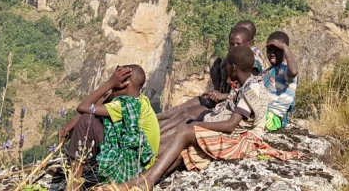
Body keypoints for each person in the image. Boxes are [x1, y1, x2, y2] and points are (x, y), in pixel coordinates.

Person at [123, 46, 297, 187]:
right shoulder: (253, 83)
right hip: (243, 135)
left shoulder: (250, 90)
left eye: (228, 65)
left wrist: (198, 126)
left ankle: (148, 181)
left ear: (234, 68)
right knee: (186, 147)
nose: (225, 68)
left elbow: (230, 125)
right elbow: (238, 104)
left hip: (245, 142)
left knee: (186, 131)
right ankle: (144, 178)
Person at [58, 65, 160, 191]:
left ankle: (74, 184)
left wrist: (110, 83)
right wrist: (72, 123)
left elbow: (83, 107)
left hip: (130, 169)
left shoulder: (123, 106)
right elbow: (103, 101)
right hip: (141, 164)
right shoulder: (140, 100)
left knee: (86, 121)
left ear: (124, 84)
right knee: (92, 119)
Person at [157, 25, 264, 132]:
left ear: (249, 43)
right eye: (232, 44)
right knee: (197, 101)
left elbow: (245, 92)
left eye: (238, 44)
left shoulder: (251, 64)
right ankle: (157, 119)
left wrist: (222, 96)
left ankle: (158, 131)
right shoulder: (235, 58)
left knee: (188, 114)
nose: (234, 47)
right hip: (227, 99)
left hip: (230, 106)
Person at [262, 31, 299, 131]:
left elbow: (294, 71)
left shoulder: (285, 70)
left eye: (277, 50)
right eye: (269, 50)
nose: (272, 53)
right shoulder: (267, 72)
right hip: (263, 111)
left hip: (272, 116)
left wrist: (285, 47)